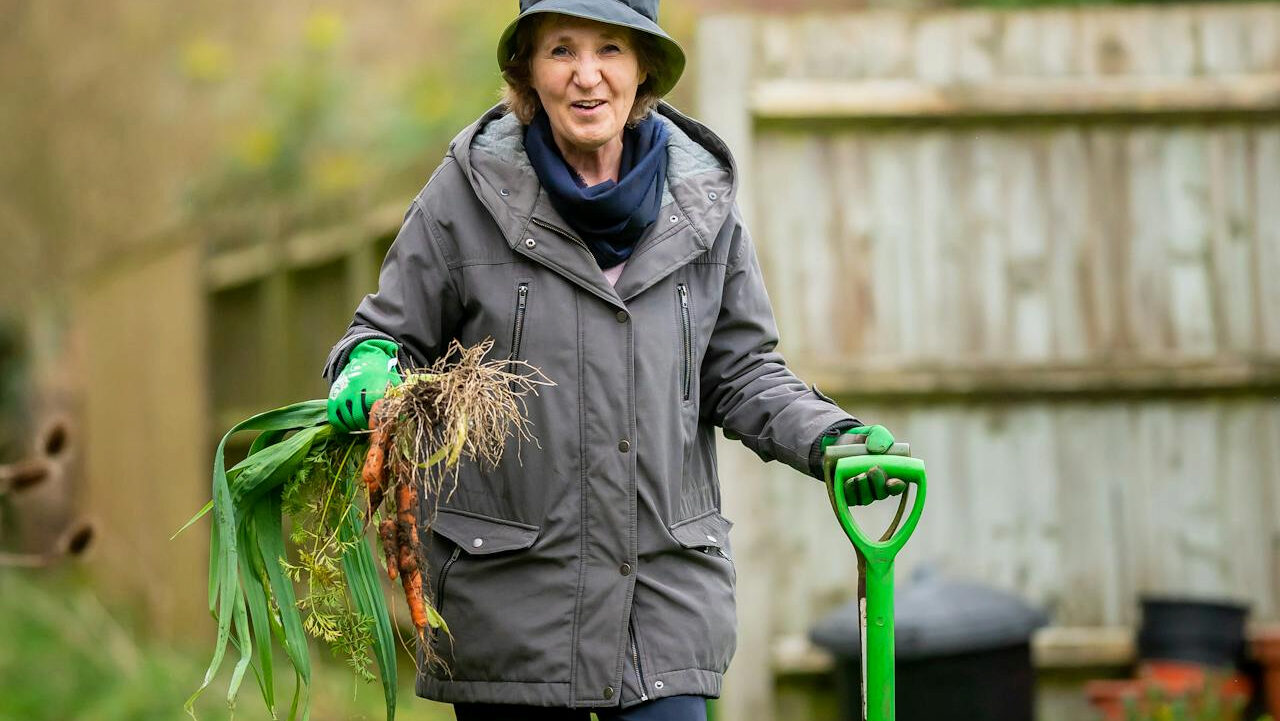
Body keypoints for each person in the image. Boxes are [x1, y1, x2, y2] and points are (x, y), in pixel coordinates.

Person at [323, 1, 901, 719]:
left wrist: (828, 437)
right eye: (561, 50)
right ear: (528, 71)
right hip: (514, 607)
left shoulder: (702, 203)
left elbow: (742, 369)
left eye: (610, 51)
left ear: (644, 69)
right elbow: (384, 331)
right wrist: (371, 363)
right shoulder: (467, 193)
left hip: (660, 605)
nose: (586, 76)